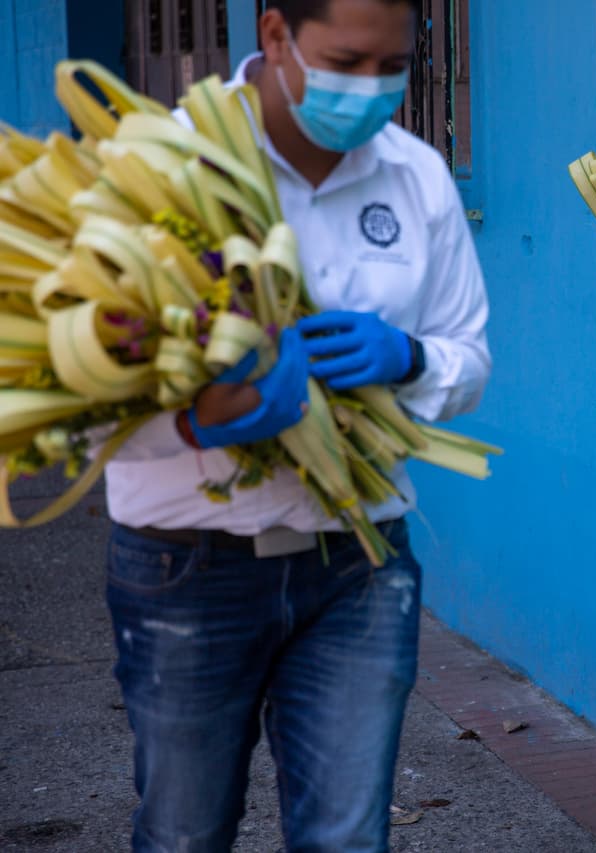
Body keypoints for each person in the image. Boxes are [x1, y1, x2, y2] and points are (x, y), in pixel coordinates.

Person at [101, 0, 491, 849]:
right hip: (186, 562)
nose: (373, 88)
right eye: (347, 63)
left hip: (360, 560)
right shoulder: (162, 166)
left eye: (395, 65)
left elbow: (468, 355)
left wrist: (410, 358)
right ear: (275, 35)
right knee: (182, 833)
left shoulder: (417, 176)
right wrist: (200, 423)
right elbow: (82, 407)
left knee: (348, 838)